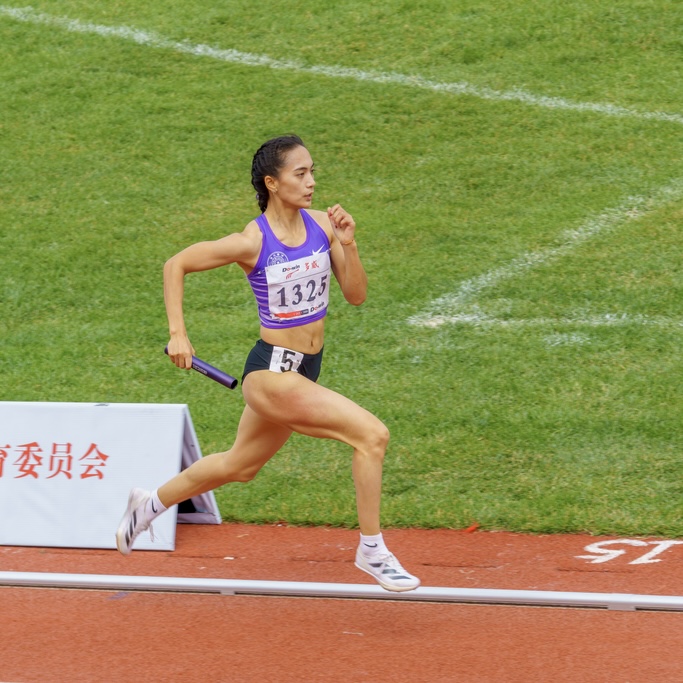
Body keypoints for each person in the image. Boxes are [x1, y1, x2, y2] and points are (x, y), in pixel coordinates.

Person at [115, 134, 420, 592]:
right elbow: (175, 264)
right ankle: (372, 550)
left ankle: (149, 503)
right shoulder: (252, 241)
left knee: (240, 466)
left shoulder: (324, 226)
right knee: (372, 435)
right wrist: (178, 333)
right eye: (301, 174)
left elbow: (356, 296)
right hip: (272, 373)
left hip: (305, 370)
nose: (311, 182)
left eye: (313, 172)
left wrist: (350, 244)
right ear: (272, 183)